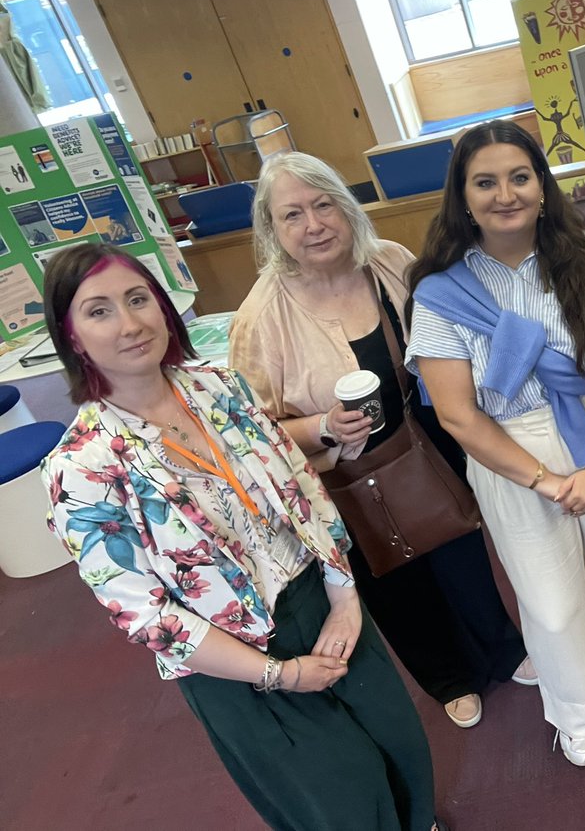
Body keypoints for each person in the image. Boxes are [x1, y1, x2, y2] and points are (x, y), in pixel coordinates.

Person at [40, 243, 443, 831]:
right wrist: (279, 674)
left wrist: (344, 599)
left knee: (400, 745)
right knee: (342, 798)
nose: (129, 324)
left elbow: (302, 486)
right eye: (98, 311)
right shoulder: (81, 468)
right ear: (72, 336)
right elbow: (149, 618)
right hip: (233, 656)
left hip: (316, 600)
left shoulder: (217, 387)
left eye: (137, 299)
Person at [405, 120, 585, 768]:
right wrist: (546, 480)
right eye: (486, 181)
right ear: (463, 196)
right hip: (511, 449)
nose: (506, 193)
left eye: (520, 176)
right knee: (548, 595)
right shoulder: (440, 290)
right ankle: (578, 707)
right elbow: (458, 416)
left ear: (541, 184)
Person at [228, 152, 531, 731]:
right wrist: (321, 426)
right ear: (272, 230)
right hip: (342, 475)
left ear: (346, 207)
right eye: (292, 215)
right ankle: (447, 679)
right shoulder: (260, 318)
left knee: (461, 552)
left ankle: (502, 649)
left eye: (324, 205)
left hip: (427, 442)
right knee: (396, 580)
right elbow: (249, 431)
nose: (313, 224)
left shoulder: (389, 261)